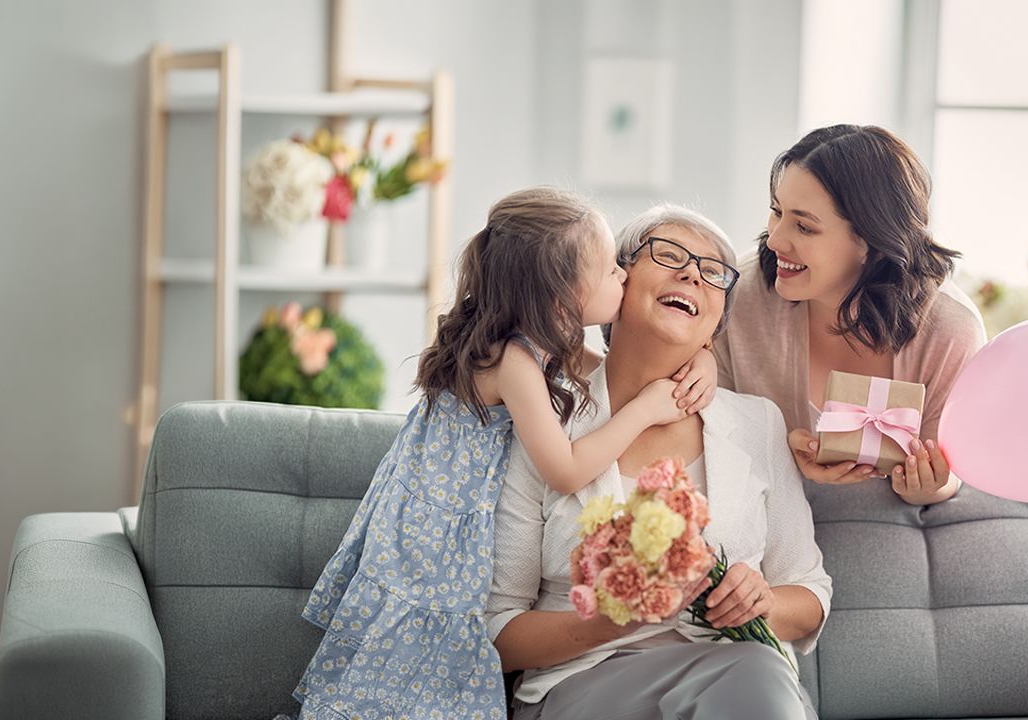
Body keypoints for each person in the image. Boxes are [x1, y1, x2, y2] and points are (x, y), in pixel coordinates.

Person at [286, 188, 719, 720]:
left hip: (442, 526)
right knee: (415, 677)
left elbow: (615, 364)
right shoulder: (515, 360)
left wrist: (704, 357)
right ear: (562, 293)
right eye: (611, 271)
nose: (625, 277)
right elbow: (565, 471)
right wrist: (647, 411)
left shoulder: (542, 340)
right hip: (437, 541)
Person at [488, 205, 832, 720]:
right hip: (585, 686)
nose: (692, 273)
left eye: (713, 272)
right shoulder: (545, 422)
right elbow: (500, 630)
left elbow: (809, 591)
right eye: (668, 255)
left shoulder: (758, 424)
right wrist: (609, 621)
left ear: (715, 324)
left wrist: (763, 602)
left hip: (740, 681)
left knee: (757, 671)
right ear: (616, 286)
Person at [713, 125, 987, 505]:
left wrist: (929, 486)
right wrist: (776, 453)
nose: (774, 239)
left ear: (870, 244)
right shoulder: (739, 300)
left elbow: (952, 470)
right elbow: (707, 445)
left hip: (888, 537)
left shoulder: (949, 331)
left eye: (804, 226)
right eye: (777, 212)